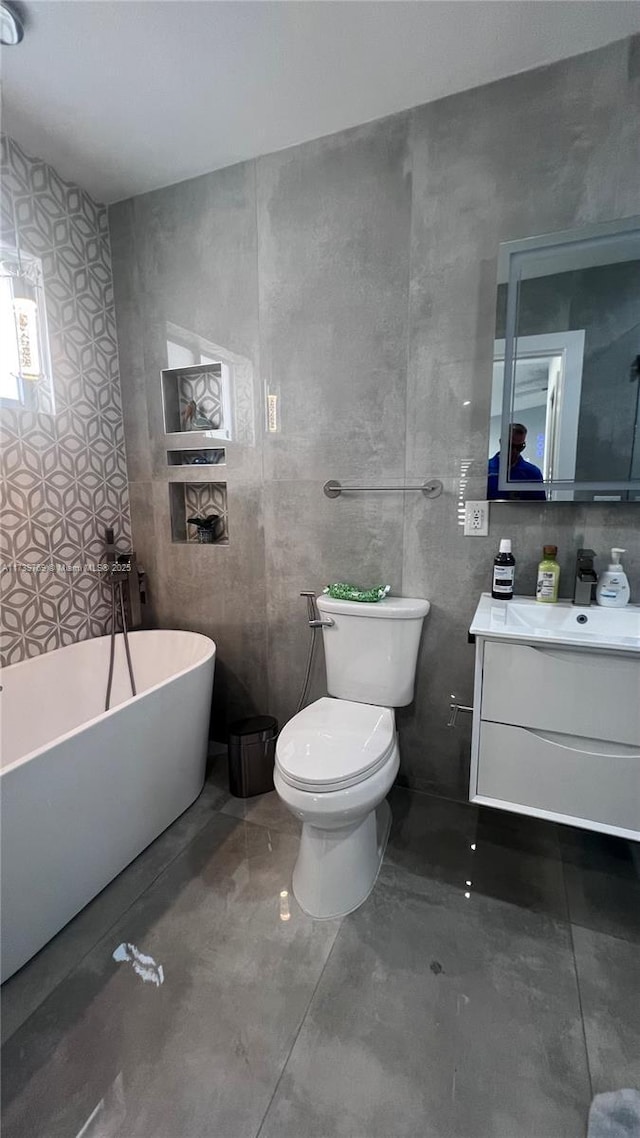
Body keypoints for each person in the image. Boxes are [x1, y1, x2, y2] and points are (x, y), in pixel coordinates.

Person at [487, 423, 546, 500]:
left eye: (519, 447)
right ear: (501, 442)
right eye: (510, 446)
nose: (514, 451)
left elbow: (540, 508)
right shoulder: (486, 470)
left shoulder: (532, 473)